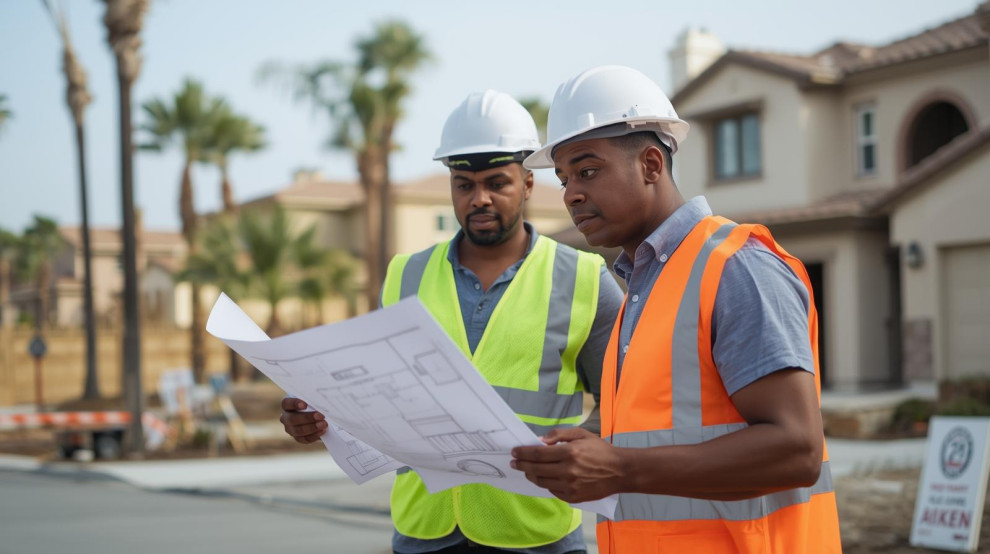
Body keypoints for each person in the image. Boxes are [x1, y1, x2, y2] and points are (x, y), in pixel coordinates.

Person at [511, 66, 841, 553]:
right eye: (563, 179)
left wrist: (619, 468)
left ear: (650, 164)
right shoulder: (643, 288)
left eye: (587, 171)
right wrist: (582, 448)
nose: (571, 194)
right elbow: (663, 428)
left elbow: (796, 450)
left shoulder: (736, 268)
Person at [280, 89, 624, 554]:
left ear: (527, 184)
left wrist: (574, 446)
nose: (478, 198)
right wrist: (321, 417)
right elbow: (379, 397)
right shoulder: (405, 275)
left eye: (496, 183)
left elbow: (622, 402)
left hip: (536, 530)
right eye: (464, 185)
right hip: (425, 528)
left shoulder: (585, 279)